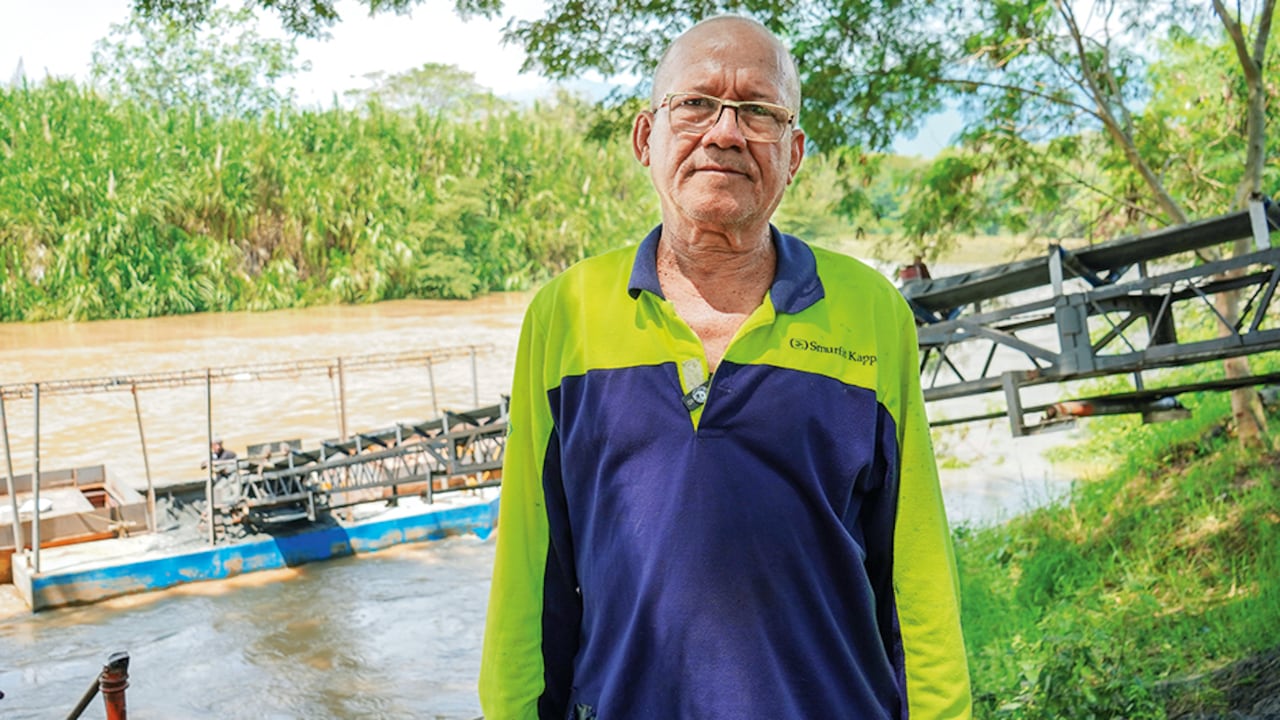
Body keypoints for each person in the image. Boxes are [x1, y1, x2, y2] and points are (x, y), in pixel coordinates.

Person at [479, 15, 971, 719]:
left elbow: (915, 574)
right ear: (646, 138)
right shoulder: (568, 314)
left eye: (759, 112)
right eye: (696, 103)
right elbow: (531, 571)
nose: (726, 132)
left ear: (793, 154)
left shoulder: (869, 312)